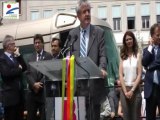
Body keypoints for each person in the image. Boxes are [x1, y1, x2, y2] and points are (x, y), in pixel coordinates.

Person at [67, 0, 107, 119]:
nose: (87, 14)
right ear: (78, 16)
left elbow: (103, 55)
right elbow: (68, 56)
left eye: (88, 11)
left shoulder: (99, 32)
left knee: (94, 116)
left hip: (94, 85)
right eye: (84, 12)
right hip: (78, 86)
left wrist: (102, 68)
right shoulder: (72, 34)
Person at [26, 34, 52, 120]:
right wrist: (33, 84)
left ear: (42, 44)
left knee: (43, 117)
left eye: (39, 42)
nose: (37, 45)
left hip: (43, 93)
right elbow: (28, 73)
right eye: (35, 43)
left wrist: (39, 85)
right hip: (32, 93)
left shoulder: (48, 56)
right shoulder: (30, 57)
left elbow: (47, 73)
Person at [0, 35, 27, 120]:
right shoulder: (2, 59)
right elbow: (6, 73)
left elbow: (24, 67)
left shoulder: (15, 57)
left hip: (19, 97)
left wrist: (18, 55)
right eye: (14, 44)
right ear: (8, 46)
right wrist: (19, 69)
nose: (15, 46)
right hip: (10, 99)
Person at [119, 31, 142, 120]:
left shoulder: (138, 55)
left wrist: (132, 90)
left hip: (135, 90)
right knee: (126, 118)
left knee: (135, 117)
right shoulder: (122, 56)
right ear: (125, 42)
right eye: (127, 39)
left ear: (133, 40)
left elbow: (139, 74)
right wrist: (125, 92)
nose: (129, 41)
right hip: (124, 90)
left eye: (130, 39)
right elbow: (120, 74)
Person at [142, 23, 160, 120]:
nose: (159, 37)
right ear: (152, 36)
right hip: (150, 89)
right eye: (157, 35)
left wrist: (149, 67)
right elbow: (144, 62)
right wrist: (150, 47)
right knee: (150, 117)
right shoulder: (146, 50)